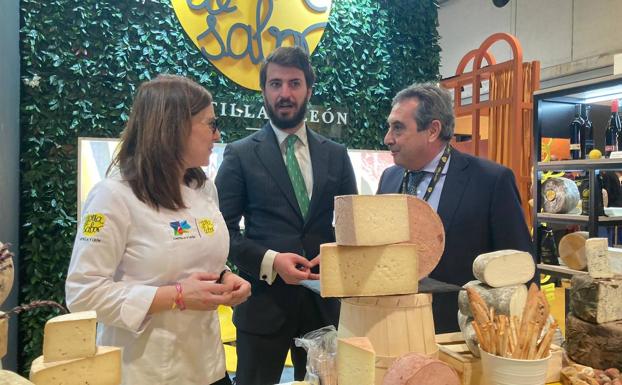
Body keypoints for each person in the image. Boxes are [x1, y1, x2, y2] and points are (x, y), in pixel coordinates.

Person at [65, 74, 251, 385]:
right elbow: (83, 294)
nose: (217, 135)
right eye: (210, 123)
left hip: (209, 367)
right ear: (174, 127)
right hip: (146, 371)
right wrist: (176, 295)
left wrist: (224, 277)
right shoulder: (113, 196)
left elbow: (201, 262)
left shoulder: (203, 189)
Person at [215, 46, 357, 384]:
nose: (285, 93)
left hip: (324, 308)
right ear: (264, 91)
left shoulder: (336, 155)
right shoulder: (240, 155)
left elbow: (354, 227)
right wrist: (271, 261)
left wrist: (336, 260)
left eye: (294, 83)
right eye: (275, 84)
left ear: (309, 89)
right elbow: (221, 233)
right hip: (263, 307)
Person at [377, 83, 534, 333]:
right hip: (390, 324)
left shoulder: (490, 181)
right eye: (390, 127)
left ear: (432, 130)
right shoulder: (390, 178)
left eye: (398, 128)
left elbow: (519, 266)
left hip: (456, 334)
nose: (388, 139)